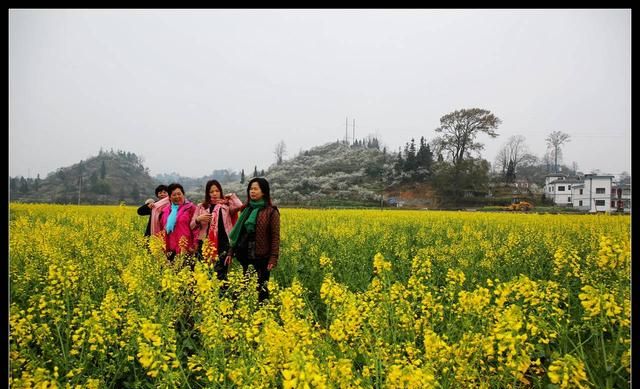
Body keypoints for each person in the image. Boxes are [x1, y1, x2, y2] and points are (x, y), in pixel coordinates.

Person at [225, 177, 280, 303]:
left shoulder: (272, 212)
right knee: (243, 287)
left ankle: (262, 317)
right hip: (244, 255)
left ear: (264, 192)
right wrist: (230, 251)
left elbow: (275, 237)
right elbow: (239, 233)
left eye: (255, 189)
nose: (252, 191)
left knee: (261, 289)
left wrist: (273, 258)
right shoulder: (246, 209)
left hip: (262, 257)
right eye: (250, 189)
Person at [190, 180, 242, 291]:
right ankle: (206, 297)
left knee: (222, 273)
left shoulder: (226, 206)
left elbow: (240, 206)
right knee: (206, 271)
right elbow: (192, 225)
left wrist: (232, 196)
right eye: (211, 191)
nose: (214, 193)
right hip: (205, 244)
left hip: (223, 244)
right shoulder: (201, 207)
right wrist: (199, 219)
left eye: (217, 191)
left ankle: (222, 297)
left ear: (220, 192)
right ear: (207, 193)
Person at [159, 183, 197, 265]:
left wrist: (194, 245)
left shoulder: (191, 208)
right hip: (169, 250)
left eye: (179, 194)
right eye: (174, 195)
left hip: (186, 248)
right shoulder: (165, 210)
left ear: (183, 194)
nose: (177, 197)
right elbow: (163, 229)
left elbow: (196, 228)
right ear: (169, 197)